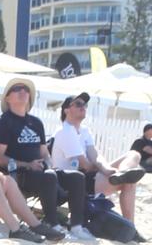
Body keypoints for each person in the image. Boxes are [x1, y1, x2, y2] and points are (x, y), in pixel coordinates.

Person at [0, 79, 93, 240]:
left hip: (42, 171)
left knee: (77, 177)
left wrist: (49, 164)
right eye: (17, 89)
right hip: (18, 174)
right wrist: (27, 164)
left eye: (26, 89)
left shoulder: (36, 123)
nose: (23, 91)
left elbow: (44, 152)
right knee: (49, 177)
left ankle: (77, 226)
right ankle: (51, 222)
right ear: (8, 98)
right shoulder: (4, 123)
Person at [50, 91, 144, 223]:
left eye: (85, 104)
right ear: (66, 110)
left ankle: (123, 173)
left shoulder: (84, 130)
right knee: (129, 183)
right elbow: (85, 165)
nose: (83, 106)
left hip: (90, 175)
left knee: (134, 154)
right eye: (78, 104)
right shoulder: (65, 131)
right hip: (76, 182)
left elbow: (95, 154)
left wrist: (106, 169)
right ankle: (130, 225)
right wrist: (104, 169)